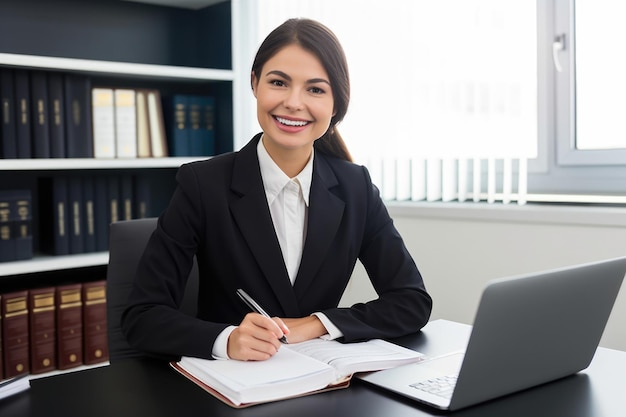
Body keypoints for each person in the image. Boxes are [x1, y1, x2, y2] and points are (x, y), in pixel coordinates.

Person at [121, 18, 432, 362]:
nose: (294, 103)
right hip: (231, 387)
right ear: (255, 83)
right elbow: (142, 316)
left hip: (321, 384)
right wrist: (227, 340)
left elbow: (411, 301)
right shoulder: (202, 185)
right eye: (279, 82)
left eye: (315, 89)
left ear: (335, 104)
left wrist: (317, 323)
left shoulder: (356, 187)